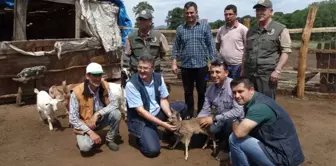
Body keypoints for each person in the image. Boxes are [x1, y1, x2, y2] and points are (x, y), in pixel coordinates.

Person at [229, 77, 304, 165]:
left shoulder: (258, 107)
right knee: (234, 153)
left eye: (240, 91)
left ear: (251, 90)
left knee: (234, 139)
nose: (237, 96)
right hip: (286, 152)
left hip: (283, 158)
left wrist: (234, 119)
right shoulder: (257, 99)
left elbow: (238, 133)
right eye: (234, 92)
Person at [125, 55, 188, 158]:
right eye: (140, 67)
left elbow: (163, 99)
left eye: (145, 68)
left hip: (157, 112)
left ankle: (168, 133)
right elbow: (141, 111)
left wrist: (170, 115)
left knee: (182, 107)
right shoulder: (132, 84)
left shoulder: (158, 77)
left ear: (152, 69)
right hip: (142, 120)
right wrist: (163, 124)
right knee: (152, 151)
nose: (142, 70)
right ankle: (141, 136)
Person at [171, 1, 216, 118]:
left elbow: (211, 45)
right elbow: (176, 47)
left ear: (196, 12)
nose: (189, 15)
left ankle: (202, 114)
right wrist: (174, 63)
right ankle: (189, 115)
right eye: (187, 13)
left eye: (191, 12)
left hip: (202, 66)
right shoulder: (180, 29)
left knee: (202, 92)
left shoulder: (204, 27)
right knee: (188, 92)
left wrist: (213, 62)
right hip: (186, 67)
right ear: (184, 14)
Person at [242, 0, 292, 99]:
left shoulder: (280, 29)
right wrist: (243, 69)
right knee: (249, 100)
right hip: (250, 74)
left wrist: (277, 71)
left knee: (267, 102)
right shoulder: (251, 31)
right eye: (257, 10)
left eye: (263, 9)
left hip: (267, 75)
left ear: (271, 11)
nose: (259, 12)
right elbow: (246, 51)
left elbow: (286, 51)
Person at [69, 62, 121, 153]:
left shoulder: (104, 85)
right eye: (94, 75)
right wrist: (90, 132)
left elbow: (114, 104)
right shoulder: (76, 92)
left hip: (100, 119)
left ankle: (110, 140)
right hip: (85, 124)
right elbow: (73, 119)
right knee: (85, 147)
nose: (97, 78)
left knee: (116, 113)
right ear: (87, 76)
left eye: (99, 75)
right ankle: (89, 137)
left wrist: (97, 114)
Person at [197, 58, 244, 157]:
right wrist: (197, 121)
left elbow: (238, 111)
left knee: (230, 121)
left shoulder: (234, 87)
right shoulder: (210, 89)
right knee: (197, 137)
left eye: (218, 72)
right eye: (212, 72)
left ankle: (226, 147)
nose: (214, 75)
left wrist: (213, 119)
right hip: (219, 120)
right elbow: (205, 110)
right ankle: (220, 138)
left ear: (226, 73)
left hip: (236, 122)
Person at [124, 9, 169, 74]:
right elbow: (127, 55)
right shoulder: (130, 37)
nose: (142, 21)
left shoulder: (159, 36)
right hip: (136, 73)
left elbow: (163, 53)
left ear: (150, 21)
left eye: (145, 20)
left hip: (154, 72)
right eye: (140, 19)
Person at [216, 4, 248, 80]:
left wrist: (243, 67)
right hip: (224, 65)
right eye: (226, 14)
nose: (228, 16)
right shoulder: (221, 29)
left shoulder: (243, 29)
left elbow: (248, 49)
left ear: (236, 14)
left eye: (230, 14)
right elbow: (217, 45)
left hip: (238, 66)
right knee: (224, 88)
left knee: (235, 88)